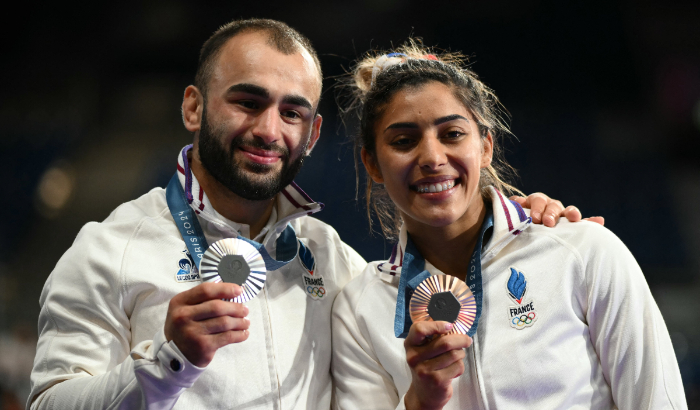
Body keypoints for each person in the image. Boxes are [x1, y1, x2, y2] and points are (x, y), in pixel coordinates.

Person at [28, 19, 589, 410]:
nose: (270, 130)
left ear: (313, 133)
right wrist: (168, 362)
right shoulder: (107, 249)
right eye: (248, 102)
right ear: (194, 107)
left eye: (292, 112)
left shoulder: (328, 255)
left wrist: (527, 228)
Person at [331, 42, 687, 410]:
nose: (433, 158)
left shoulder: (583, 252)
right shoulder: (359, 309)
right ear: (372, 164)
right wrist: (418, 403)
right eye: (404, 141)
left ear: (485, 146)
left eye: (452, 134)